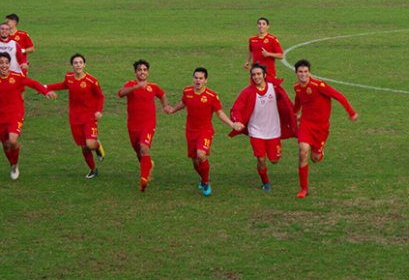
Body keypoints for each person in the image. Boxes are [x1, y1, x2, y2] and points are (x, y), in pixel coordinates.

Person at [167, 67, 243, 197]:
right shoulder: (187, 91)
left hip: (205, 131)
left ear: (206, 80)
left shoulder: (212, 96)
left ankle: (206, 182)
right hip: (190, 131)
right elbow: (183, 103)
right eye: (196, 77)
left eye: (201, 78)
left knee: (201, 154)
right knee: (195, 161)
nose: (198, 80)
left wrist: (232, 124)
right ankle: (203, 179)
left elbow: (219, 112)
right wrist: (173, 109)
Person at [293, 59, 358, 198]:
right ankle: (303, 189)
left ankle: (319, 152)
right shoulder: (297, 87)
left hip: (321, 127)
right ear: (296, 73)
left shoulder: (319, 85)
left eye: (305, 71)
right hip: (306, 124)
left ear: (309, 72)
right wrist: (294, 114)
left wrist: (351, 112)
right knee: (303, 151)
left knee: (315, 158)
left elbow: (338, 95)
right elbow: (298, 102)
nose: (303, 74)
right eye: (300, 72)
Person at [230, 63, 296, 191]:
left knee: (274, 160)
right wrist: (237, 121)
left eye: (259, 74)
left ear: (264, 75)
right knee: (261, 159)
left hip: (274, 131)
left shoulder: (275, 88)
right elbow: (236, 108)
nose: (256, 77)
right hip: (256, 131)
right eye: (254, 74)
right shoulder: (247, 92)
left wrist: (294, 115)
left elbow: (287, 103)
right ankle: (266, 182)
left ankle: (271, 162)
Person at [46, 53, 105, 179]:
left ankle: (97, 146)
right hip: (75, 118)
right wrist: (45, 87)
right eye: (75, 63)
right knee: (84, 147)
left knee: (90, 144)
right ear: (72, 65)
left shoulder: (91, 80)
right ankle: (93, 169)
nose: (78, 65)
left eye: (80, 62)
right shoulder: (69, 77)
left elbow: (100, 96)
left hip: (89, 117)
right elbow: (63, 85)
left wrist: (99, 111)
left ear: (84, 64)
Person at [0, 52, 56, 180]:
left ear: (9, 64)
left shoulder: (16, 77)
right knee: (6, 145)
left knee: (13, 141)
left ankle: (15, 164)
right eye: (1, 63)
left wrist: (45, 91)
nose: (3, 65)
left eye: (6, 63)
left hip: (15, 114)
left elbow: (33, 83)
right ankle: (12, 163)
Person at [118, 60, 170, 192]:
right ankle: (148, 166)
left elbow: (162, 94)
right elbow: (121, 93)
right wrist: (135, 87)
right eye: (140, 70)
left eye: (145, 69)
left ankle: (143, 179)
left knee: (144, 147)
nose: (142, 72)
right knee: (139, 153)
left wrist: (165, 106)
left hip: (148, 124)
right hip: (133, 126)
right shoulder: (130, 84)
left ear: (148, 72)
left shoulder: (153, 86)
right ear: (135, 72)